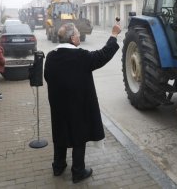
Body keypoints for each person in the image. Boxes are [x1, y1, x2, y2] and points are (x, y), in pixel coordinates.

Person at [44, 22, 121, 183]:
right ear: (72, 38)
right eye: (78, 33)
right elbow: (103, 55)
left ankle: (58, 166)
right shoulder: (81, 56)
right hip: (78, 106)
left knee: (60, 133)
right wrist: (113, 35)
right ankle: (78, 171)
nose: (79, 36)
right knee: (79, 136)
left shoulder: (51, 56)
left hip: (58, 105)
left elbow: (47, 77)